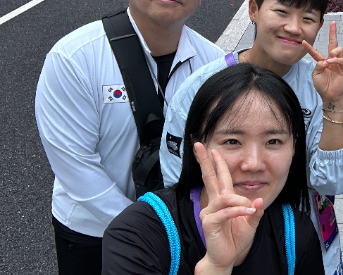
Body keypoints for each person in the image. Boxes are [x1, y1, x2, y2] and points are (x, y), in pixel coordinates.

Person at [35, 0, 225, 275]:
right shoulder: (75, 57)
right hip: (93, 231)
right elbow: (75, 165)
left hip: (178, 228)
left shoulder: (213, 62)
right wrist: (145, 229)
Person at [159, 0, 343, 275]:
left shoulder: (319, 85)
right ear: (253, 10)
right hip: (227, 247)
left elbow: (336, 181)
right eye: (281, 12)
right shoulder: (201, 88)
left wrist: (333, 101)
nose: (293, 27)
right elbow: (178, 179)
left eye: (307, 17)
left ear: (319, 25)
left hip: (309, 245)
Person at [103, 64, 326, 274]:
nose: (253, 163)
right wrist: (217, 267)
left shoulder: (296, 235)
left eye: (273, 141)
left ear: (295, 146)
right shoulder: (138, 235)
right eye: (232, 141)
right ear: (196, 146)